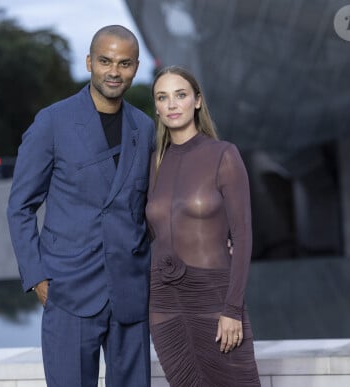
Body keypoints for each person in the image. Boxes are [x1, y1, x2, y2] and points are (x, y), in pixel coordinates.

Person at [7, 25, 154, 387]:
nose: (114, 72)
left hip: (130, 294)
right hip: (69, 291)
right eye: (105, 61)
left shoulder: (146, 128)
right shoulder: (52, 122)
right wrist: (37, 278)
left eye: (124, 63)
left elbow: (153, 208)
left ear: (135, 68)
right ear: (89, 62)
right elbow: (20, 207)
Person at [146, 65, 261, 386]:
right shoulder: (151, 163)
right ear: (155, 107)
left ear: (197, 101)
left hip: (215, 297)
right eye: (162, 97)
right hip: (164, 304)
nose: (172, 104)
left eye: (180, 95)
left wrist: (233, 309)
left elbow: (242, 235)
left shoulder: (224, 155)